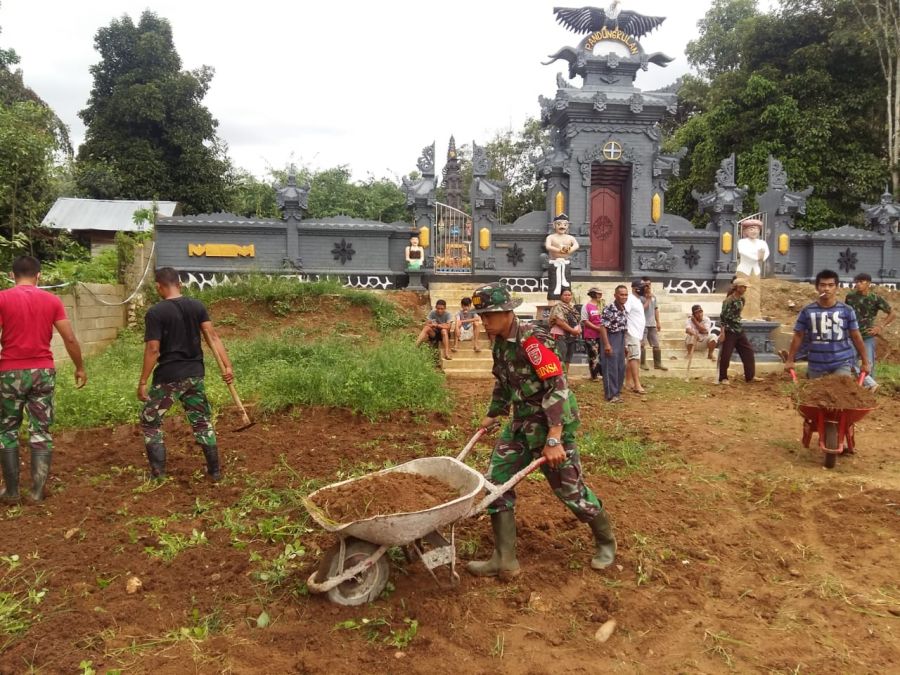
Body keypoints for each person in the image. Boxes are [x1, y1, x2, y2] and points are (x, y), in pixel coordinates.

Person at [465, 282, 615, 577]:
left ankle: (606, 542)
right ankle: (505, 559)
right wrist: (494, 413)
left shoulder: (533, 341)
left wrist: (554, 438)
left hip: (551, 425)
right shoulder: (499, 341)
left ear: (508, 312)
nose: (485, 321)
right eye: (481, 316)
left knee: (571, 492)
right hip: (521, 424)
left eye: (490, 315)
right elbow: (503, 381)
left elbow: (557, 387)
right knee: (496, 483)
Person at [0, 256, 87, 503]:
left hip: (9, 373)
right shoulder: (52, 300)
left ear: (11, 274)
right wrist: (79, 367)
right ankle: (37, 492)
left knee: (7, 429)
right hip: (43, 372)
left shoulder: (2, 298)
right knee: (41, 430)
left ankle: (12, 491)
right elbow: (70, 339)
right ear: (39, 276)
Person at [137, 267, 234, 481]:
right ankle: (215, 471)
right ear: (179, 284)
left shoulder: (156, 313)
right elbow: (213, 336)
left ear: (158, 287)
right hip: (194, 374)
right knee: (201, 421)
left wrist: (143, 381)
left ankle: (158, 474)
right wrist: (227, 365)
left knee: (150, 420)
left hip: (169, 376)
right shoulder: (197, 306)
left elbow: (153, 349)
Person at [784, 269, 869, 380]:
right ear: (817, 287)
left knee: (842, 393)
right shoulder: (807, 311)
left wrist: (865, 362)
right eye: (823, 285)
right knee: (816, 395)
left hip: (841, 362)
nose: (826, 289)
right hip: (816, 364)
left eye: (831, 285)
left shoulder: (847, 310)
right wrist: (790, 360)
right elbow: (798, 336)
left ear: (836, 287)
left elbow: (856, 336)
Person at [845, 272, 894, 391]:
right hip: (852, 336)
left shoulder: (875, 298)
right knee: (848, 361)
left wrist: (880, 326)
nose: (858, 284)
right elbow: (845, 313)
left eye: (861, 282)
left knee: (868, 365)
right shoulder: (850, 297)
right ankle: (871, 384)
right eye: (857, 282)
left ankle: (869, 390)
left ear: (868, 283)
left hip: (867, 336)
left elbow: (892, 314)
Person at [717, 279, 756, 384]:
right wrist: (722, 333)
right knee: (726, 355)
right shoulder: (728, 301)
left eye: (745, 287)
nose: (745, 289)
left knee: (748, 352)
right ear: (737, 287)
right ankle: (723, 377)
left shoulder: (742, 299)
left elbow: (738, 314)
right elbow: (723, 318)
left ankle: (750, 376)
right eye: (743, 287)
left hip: (739, 329)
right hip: (729, 330)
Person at [598, 285, 628, 402]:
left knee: (620, 367)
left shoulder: (623, 308)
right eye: (621, 294)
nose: (624, 297)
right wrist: (607, 344)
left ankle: (617, 392)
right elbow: (603, 327)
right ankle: (611, 395)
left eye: (626, 295)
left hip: (620, 338)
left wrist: (624, 345)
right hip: (610, 338)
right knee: (611, 367)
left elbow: (623, 328)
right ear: (615, 295)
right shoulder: (609, 309)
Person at [736, 219, 769, 320]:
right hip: (743, 270)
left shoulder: (762, 243)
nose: (754, 231)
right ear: (745, 231)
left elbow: (766, 254)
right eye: (751, 229)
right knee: (743, 291)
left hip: (756, 270)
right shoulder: (742, 242)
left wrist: (762, 257)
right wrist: (757, 257)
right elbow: (744, 252)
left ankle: (755, 315)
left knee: (755, 292)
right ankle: (742, 314)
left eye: (756, 229)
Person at [544, 214, 579, 303]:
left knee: (566, 287)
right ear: (554, 225)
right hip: (554, 263)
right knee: (553, 285)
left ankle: (566, 304)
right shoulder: (551, 237)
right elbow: (548, 246)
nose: (562, 226)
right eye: (559, 224)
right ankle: (551, 304)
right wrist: (559, 250)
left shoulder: (570, 238)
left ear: (567, 226)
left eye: (564, 224)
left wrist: (569, 250)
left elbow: (576, 245)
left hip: (565, 264)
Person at [548, 288, 581, 375]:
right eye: (565, 295)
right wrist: (572, 330)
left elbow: (576, 321)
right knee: (560, 358)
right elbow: (559, 322)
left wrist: (578, 330)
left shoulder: (572, 308)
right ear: (561, 296)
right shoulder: (558, 307)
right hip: (560, 335)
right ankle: (558, 379)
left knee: (567, 359)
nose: (567, 297)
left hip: (571, 336)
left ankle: (565, 378)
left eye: (569, 295)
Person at [623, 280, 647, 394]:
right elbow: (624, 313)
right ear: (634, 288)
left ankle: (628, 382)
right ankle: (637, 384)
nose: (644, 289)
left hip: (637, 334)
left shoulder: (638, 300)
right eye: (641, 287)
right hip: (631, 333)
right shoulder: (630, 299)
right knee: (634, 358)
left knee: (631, 358)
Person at [639, 277, 667, 371]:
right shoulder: (639, 298)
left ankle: (657, 363)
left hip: (652, 324)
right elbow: (641, 309)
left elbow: (656, 309)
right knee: (642, 344)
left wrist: (658, 322)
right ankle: (642, 363)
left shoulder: (654, 297)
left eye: (649, 284)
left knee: (656, 344)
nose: (647, 286)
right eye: (645, 285)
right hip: (642, 324)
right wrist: (647, 299)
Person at [581, 287, 604, 381]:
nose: (600, 295)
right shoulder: (586, 306)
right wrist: (597, 328)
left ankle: (602, 374)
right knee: (593, 355)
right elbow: (585, 321)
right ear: (593, 294)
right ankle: (594, 375)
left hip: (602, 335)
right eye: (598, 293)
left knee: (601, 354)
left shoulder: (602, 305)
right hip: (590, 335)